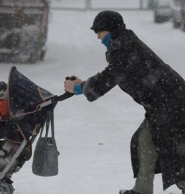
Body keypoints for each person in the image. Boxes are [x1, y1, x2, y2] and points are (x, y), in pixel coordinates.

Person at [64, 10, 185, 194]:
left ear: (111, 29)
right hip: (164, 103)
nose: (98, 37)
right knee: (146, 140)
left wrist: (80, 89)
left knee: (173, 152)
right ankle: (142, 189)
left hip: (171, 104)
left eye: (100, 32)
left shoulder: (124, 48)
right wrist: (84, 84)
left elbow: (110, 77)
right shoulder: (123, 45)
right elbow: (112, 72)